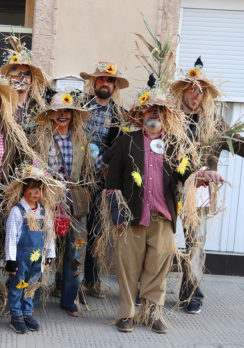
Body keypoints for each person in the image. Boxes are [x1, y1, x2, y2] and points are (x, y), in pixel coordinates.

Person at [105, 77, 223, 334]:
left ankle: (152, 314)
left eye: (159, 110)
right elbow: (112, 182)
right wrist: (116, 215)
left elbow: (188, 173)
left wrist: (206, 175)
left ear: (167, 115)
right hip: (131, 216)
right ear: (141, 114)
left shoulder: (175, 144)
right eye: (150, 109)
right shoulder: (128, 141)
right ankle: (126, 315)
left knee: (157, 270)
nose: (154, 114)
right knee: (128, 268)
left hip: (162, 216)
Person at [170, 57, 244, 314]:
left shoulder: (215, 122)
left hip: (199, 192)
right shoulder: (171, 119)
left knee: (196, 244)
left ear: (205, 95)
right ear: (183, 91)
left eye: (200, 90)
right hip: (169, 189)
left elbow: (236, 142)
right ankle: (147, 291)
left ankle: (191, 295)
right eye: (191, 89)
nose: (195, 94)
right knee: (158, 241)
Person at [31, 92, 93, 317]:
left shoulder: (81, 139)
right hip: (47, 196)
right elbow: (34, 164)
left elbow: (88, 169)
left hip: (74, 197)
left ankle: (70, 299)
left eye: (67, 111)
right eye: (58, 111)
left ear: (73, 115)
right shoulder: (41, 137)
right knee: (39, 246)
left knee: (76, 248)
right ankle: (32, 296)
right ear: (51, 115)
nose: (63, 115)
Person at [79, 61, 129, 298]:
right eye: (100, 79)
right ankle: (64, 280)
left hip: (102, 177)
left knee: (96, 230)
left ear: (114, 86)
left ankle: (92, 279)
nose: (104, 83)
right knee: (70, 228)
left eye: (109, 80)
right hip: (77, 174)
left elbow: (121, 147)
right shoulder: (79, 107)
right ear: (94, 82)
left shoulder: (119, 115)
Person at [4, 164, 65, 334]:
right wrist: (10, 259)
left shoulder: (44, 213)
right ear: (23, 189)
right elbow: (10, 237)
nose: (35, 193)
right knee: (17, 285)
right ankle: (16, 315)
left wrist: (50, 253)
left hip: (37, 258)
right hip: (21, 258)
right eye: (31, 188)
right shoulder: (17, 212)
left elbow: (49, 234)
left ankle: (27, 312)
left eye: (38, 189)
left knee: (31, 285)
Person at [0, 36, 48, 133]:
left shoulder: (39, 107)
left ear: (32, 79)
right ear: (9, 77)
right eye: (17, 74)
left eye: (26, 74)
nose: (22, 78)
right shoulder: (0, 104)